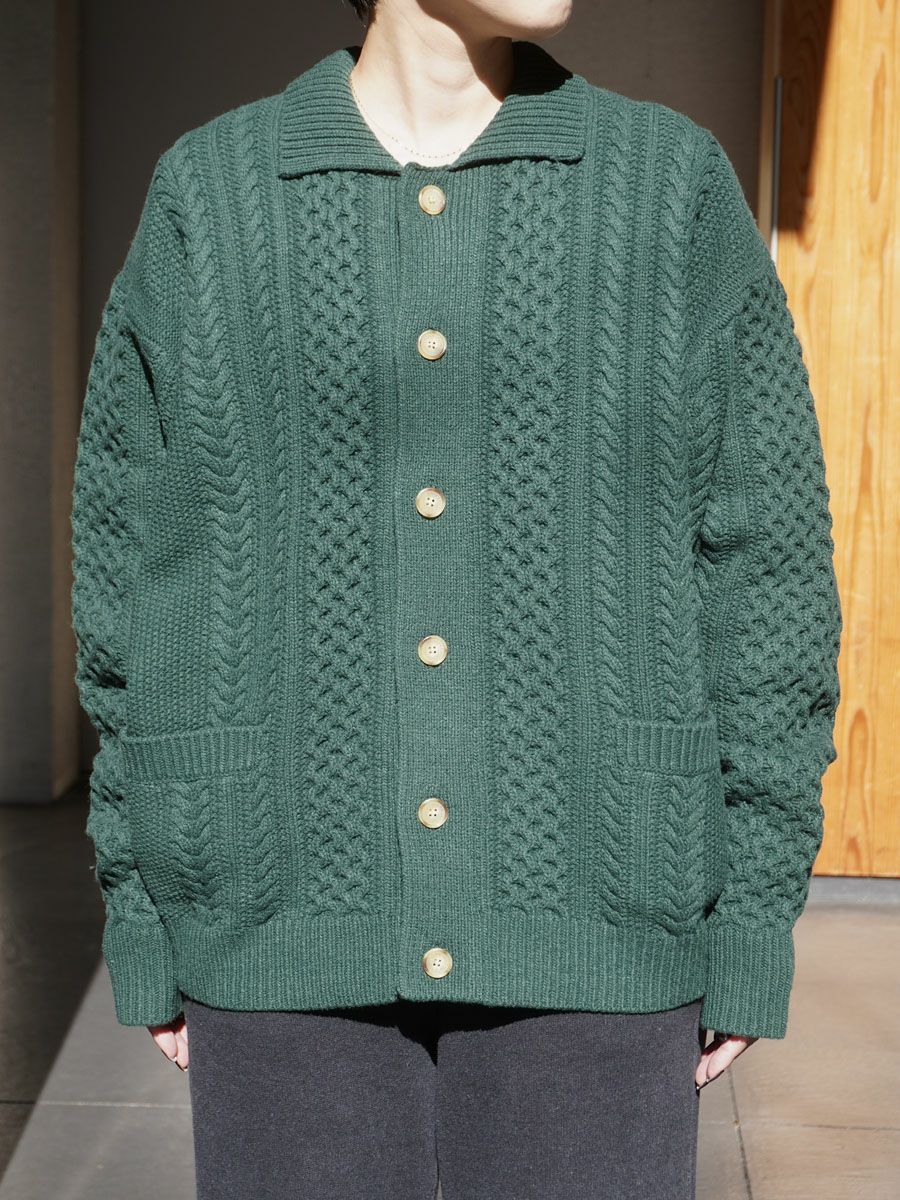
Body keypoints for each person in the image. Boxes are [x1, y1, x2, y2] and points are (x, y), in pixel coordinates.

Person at [69, 0, 843, 1197]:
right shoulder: (212, 196)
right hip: (278, 930)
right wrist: (144, 899)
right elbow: (130, 567)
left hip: (602, 925)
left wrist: (749, 912)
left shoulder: (664, 187)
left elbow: (769, 569)